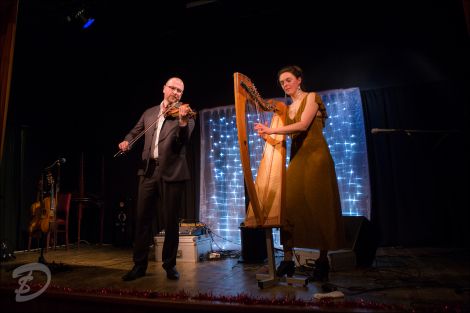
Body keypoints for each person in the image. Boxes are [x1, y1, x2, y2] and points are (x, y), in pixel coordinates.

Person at [254, 65, 345, 282]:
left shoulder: (311, 97)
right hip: (297, 157)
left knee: (319, 205)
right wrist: (266, 134)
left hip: (316, 158)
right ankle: (287, 259)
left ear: (299, 80)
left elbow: (303, 126)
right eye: (282, 82)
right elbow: (286, 135)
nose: (285, 85)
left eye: (288, 80)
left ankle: (323, 262)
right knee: (289, 206)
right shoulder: (286, 108)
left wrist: (272, 130)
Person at [119, 77, 195, 281]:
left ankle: (170, 265)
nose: (176, 93)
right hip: (148, 172)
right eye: (172, 88)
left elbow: (183, 142)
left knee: (170, 223)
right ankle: (139, 265)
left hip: (172, 173)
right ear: (164, 88)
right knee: (142, 220)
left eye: (180, 90)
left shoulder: (185, 114)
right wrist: (126, 141)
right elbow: (135, 132)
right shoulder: (149, 113)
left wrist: (182, 122)